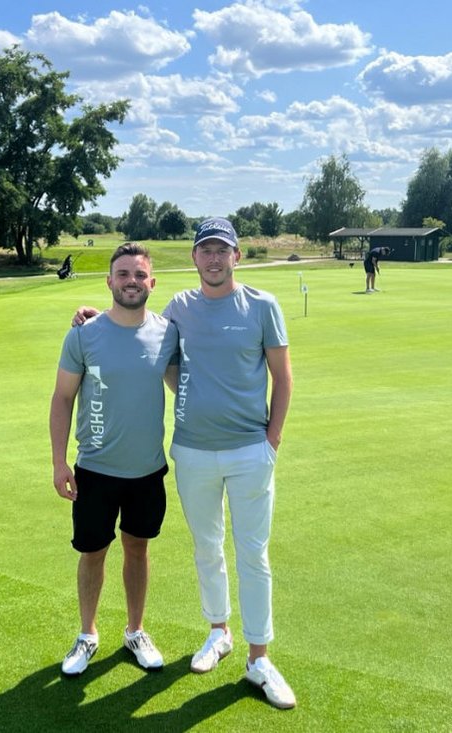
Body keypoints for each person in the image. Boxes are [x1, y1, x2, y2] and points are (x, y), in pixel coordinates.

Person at [74, 217, 296, 709]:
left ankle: (259, 657)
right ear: (194, 259)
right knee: (207, 548)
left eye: (223, 250)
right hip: (192, 450)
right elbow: (141, 337)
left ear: (236, 256)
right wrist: (93, 316)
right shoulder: (178, 309)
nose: (214, 258)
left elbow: (283, 377)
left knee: (253, 553)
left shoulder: (263, 306)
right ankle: (218, 632)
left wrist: (271, 441)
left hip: (248, 450)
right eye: (206, 250)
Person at [49, 243, 179, 677]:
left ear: (151, 282)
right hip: (95, 470)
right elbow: (63, 398)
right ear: (109, 281)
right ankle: (87, 635)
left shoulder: (168, 332)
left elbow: (188, 384)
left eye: (140, 275)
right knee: (92, 553)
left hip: (147, 470)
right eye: (123, 274)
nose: (131, 282)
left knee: (137, 550)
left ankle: (135, 631)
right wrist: (58, 461)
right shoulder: (84, 334)